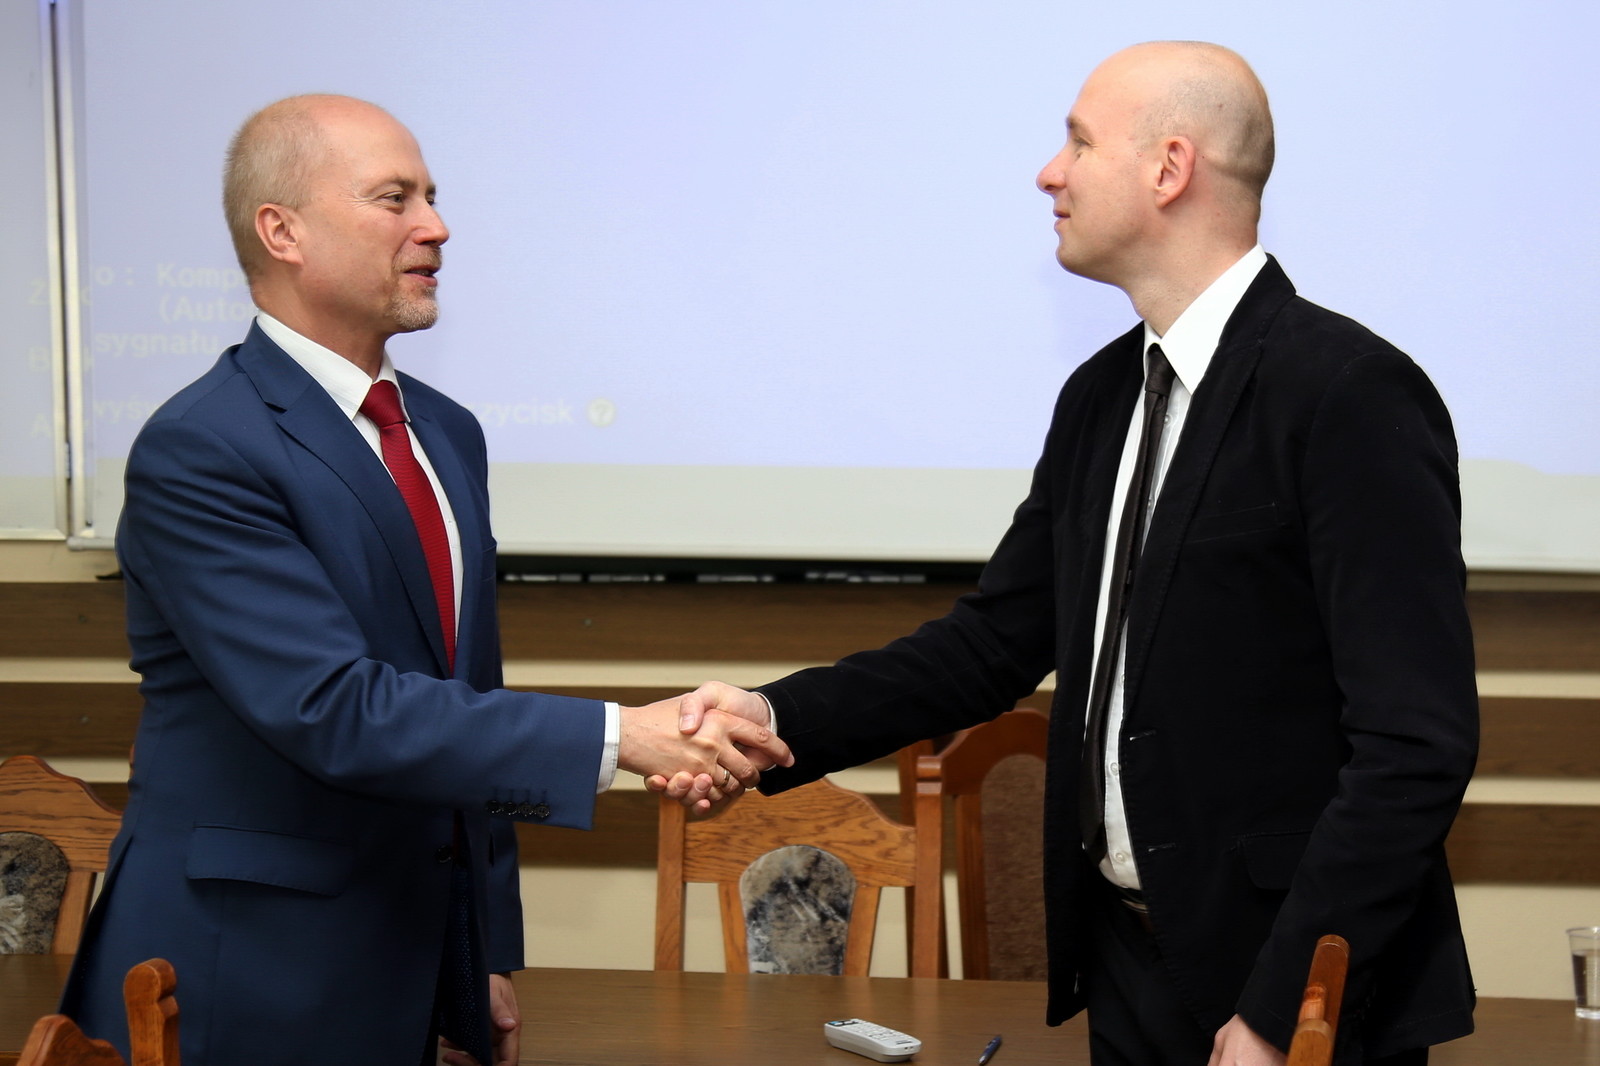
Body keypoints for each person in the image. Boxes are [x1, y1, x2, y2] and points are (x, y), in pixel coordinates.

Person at [661, 42, 1477, 1066]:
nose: (1049, 173)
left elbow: (1414, 744)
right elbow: (989, 646)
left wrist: (1280, 1011)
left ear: (1169, 168)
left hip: (1294, 997)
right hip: (1129, 974)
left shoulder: (1348, 391)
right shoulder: (1099, 397)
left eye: (1078, 142)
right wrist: (772, 718)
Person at [60, 94, 788, 1066]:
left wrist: (481, 953)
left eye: (433, 197)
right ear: (282, 231)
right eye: (394, 198)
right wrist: (626, 737)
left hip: (409, 964)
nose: (436, 227)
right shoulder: (202, 447)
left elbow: (464, 697)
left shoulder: (445, 432)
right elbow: (334, 709)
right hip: (242, 974)